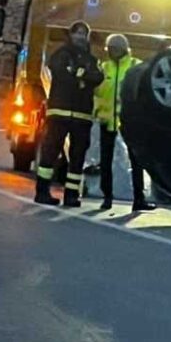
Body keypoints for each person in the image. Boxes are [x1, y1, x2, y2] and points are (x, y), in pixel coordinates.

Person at [34, 21, 103, 207]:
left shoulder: (91, 59)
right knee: (50, 152)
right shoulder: (61, 54)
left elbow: (98, 77)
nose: (80, 37)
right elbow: (60, 75)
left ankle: (72, 195)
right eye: (77, 33)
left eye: (84, 34)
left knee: (78, 157)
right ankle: (42, 192)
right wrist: (81, 76)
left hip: (82, 116)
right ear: (71, 35)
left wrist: (79, 74)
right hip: (59, 113)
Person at [94, 33, 156, 212]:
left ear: (124, 49)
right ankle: (107, 196)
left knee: (136, 161)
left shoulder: (136, 66)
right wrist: (97, 112)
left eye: (116, 48)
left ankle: (139, 198)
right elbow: (96, 93)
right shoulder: (103, 68)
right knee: (106, 162)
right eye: (110, 48)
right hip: (107, 121)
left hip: (130, 122)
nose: (113, 51)